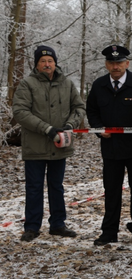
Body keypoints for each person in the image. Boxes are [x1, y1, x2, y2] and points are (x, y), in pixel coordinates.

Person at [12, 45, 85, 242]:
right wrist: (47, 129)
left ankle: (58, 224)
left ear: (55, 62)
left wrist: (70, 124)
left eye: (50, 61)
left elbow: (79, 107)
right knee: (34, 187)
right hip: (35, 146)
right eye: (42, 61)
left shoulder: (67, 84)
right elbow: (20, 112)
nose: (47, 64)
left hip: (59, 145)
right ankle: (32, 226)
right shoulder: (27, 84)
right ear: (36, 64)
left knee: (57, 186)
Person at [86, 45, 132, 246]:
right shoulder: (99, 85)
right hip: (111, 148)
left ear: (127, 63)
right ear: (106, 65)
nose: (116, 66)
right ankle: (109, 231)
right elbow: (92, 111)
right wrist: (98, 128)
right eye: (112, 63)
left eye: (119, 63)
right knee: (111, 191)